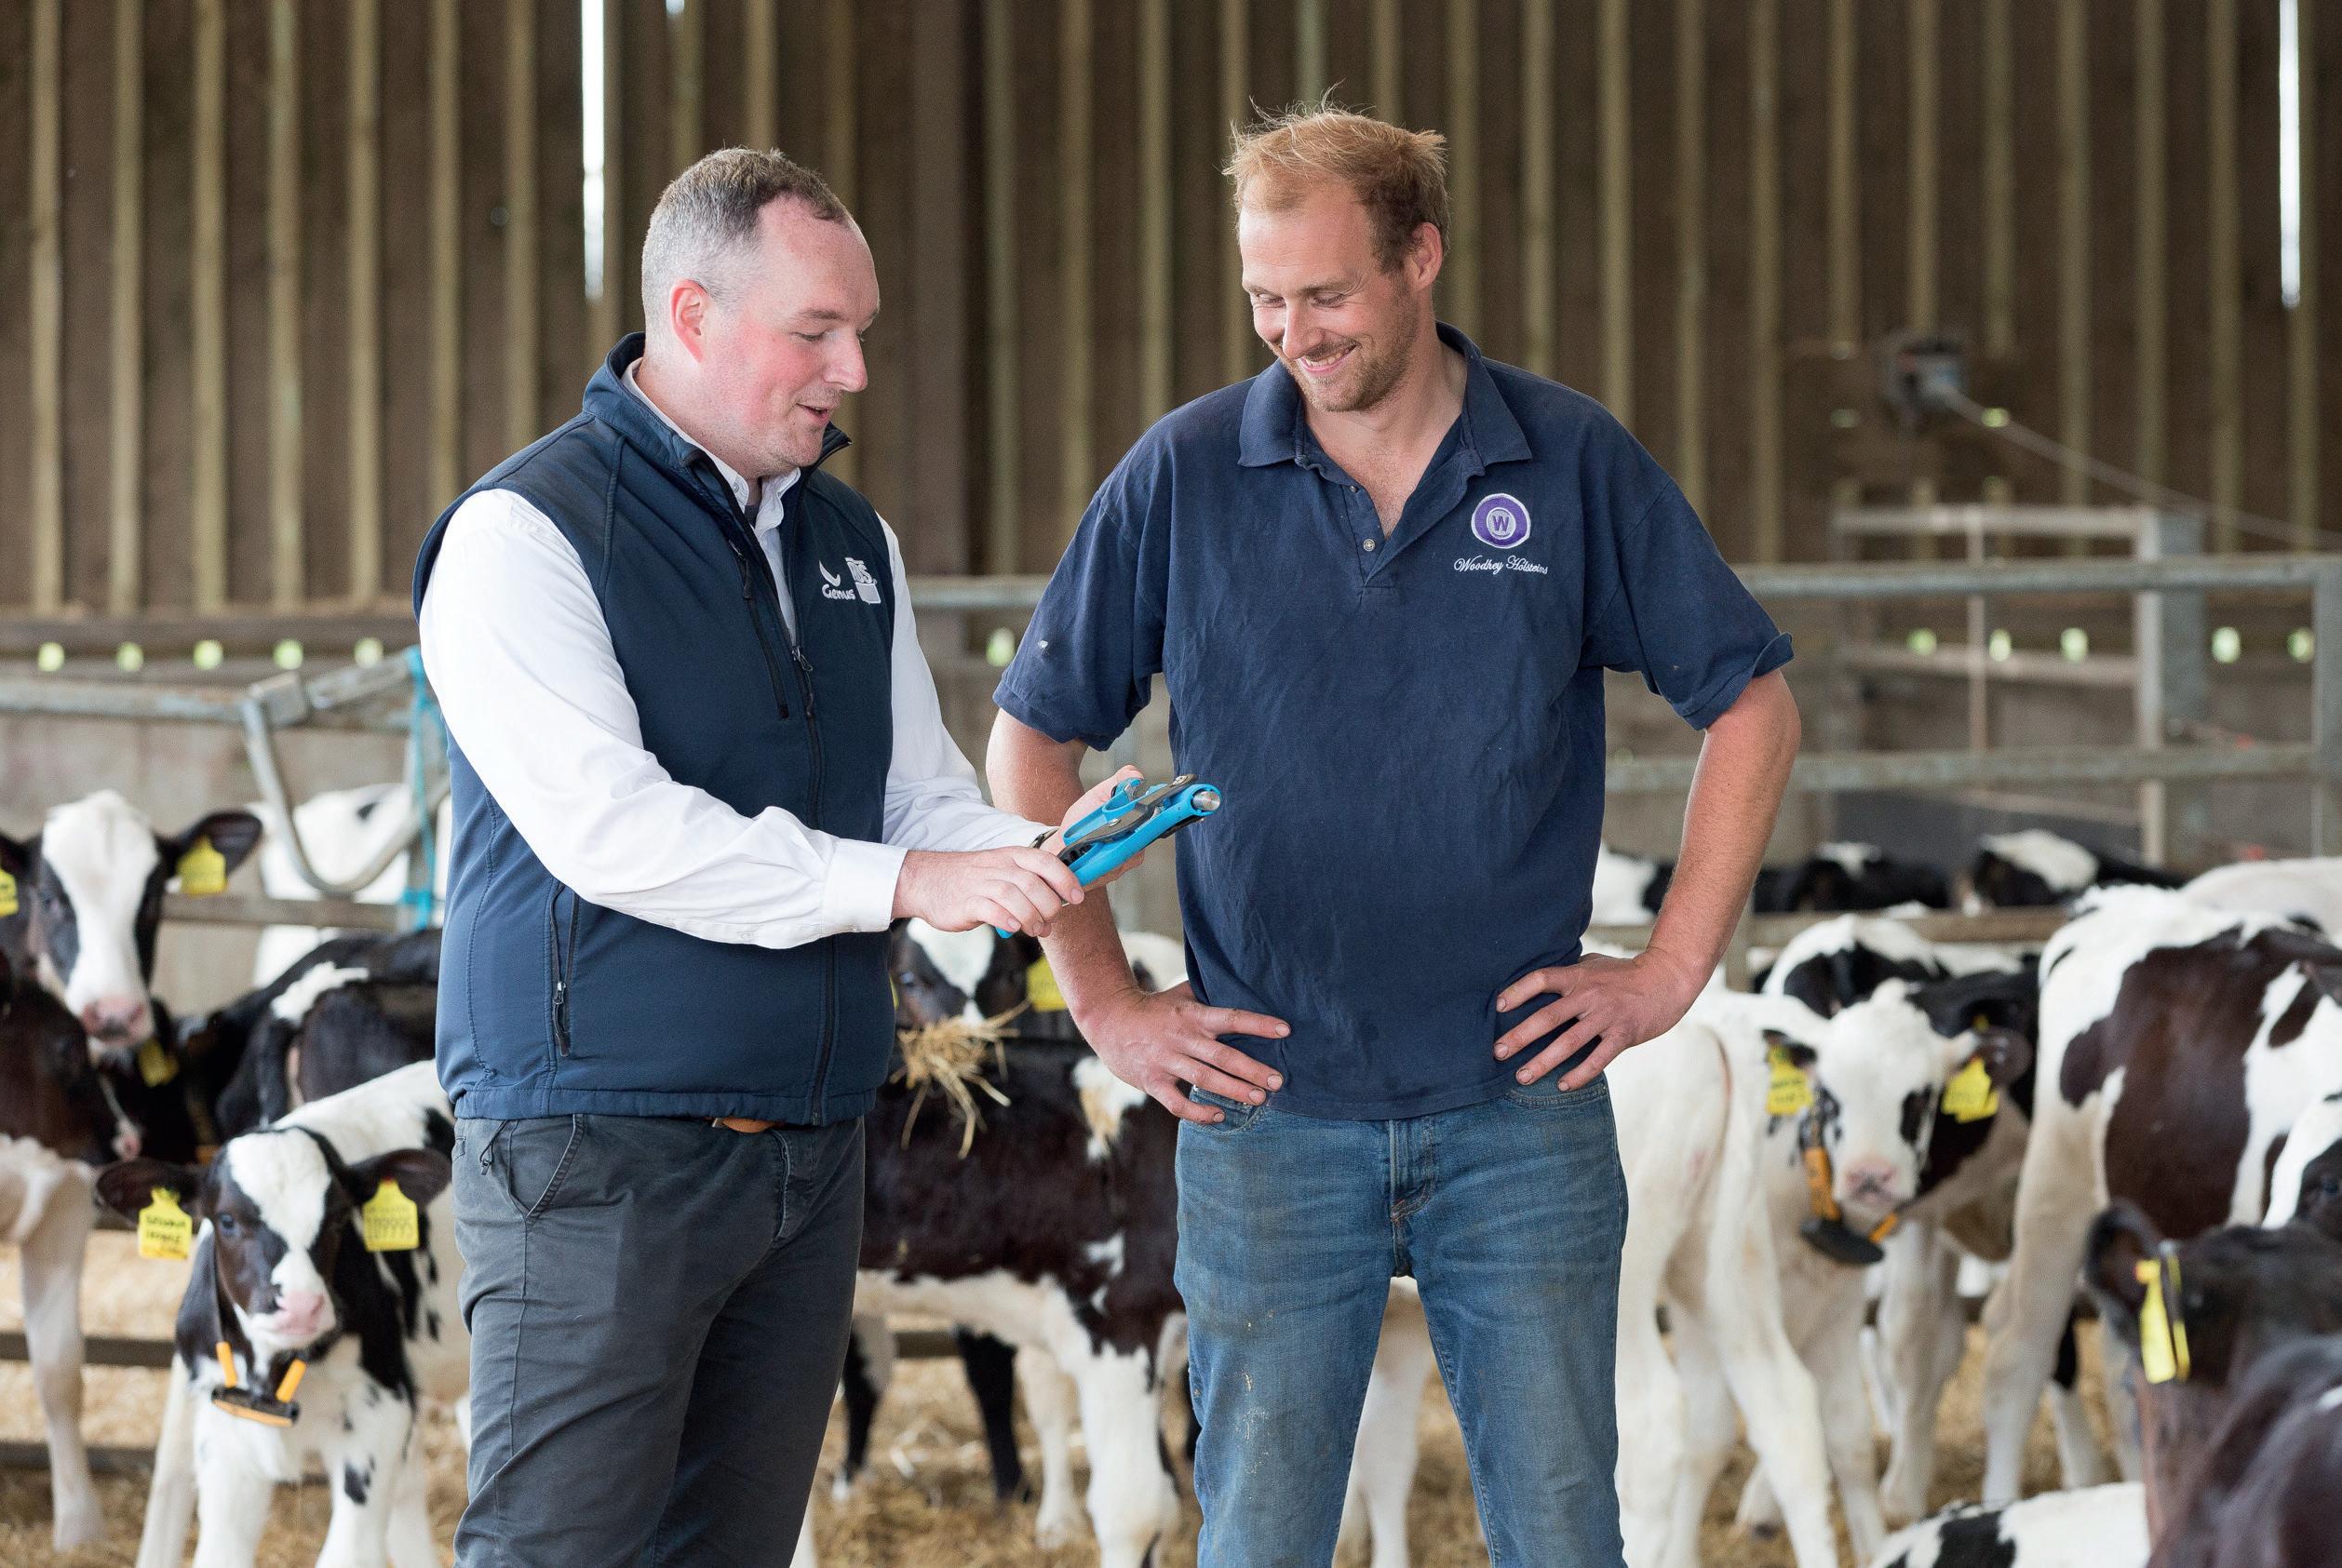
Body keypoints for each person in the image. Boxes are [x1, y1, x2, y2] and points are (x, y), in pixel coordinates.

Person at [986, 107, 1802, 1564]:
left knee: (1561, 1530)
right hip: (1268, 1108)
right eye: (1264, 297)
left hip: (1519, 1104)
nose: (1290, 332)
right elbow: (1031, 738)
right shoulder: (1186, 472)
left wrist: (1673, 967)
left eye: (1326, 293)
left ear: (1420, 256)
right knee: (1259, 1533)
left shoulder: (1563, 459)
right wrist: (1102, 1000)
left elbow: (1749, 700)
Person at [412, 148, 1124, 1567]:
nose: (852, 370)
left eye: (859, 330)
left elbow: (911, 796)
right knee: (561, 1548)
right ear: (690, 315)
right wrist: (907, 885)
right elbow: (613, 830)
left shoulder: (848, 538)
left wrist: (1044, 842)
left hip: (807, 1148)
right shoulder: (525, 533)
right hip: (600, 1145)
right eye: (816, 331)